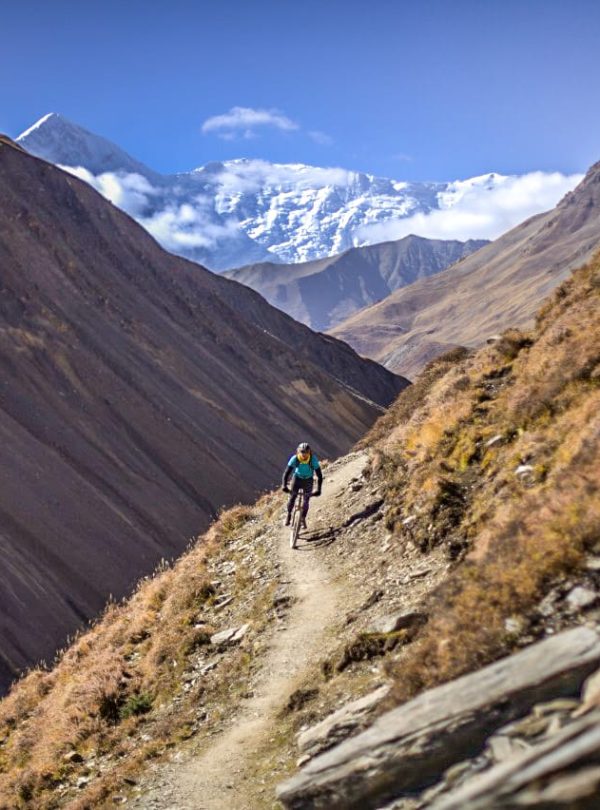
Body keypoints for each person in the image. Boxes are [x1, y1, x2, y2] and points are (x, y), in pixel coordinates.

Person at [282, 442, 323, 528]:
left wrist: (319, 489)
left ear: (309, 453)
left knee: (306, 500)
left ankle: (303, 518)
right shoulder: (295, 459)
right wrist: (284, 485)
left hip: (308, 480)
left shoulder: (313, 460)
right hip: (297, 479)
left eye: (306, 453)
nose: (304, 455)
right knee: (292, 497)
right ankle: (289, 515)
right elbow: (286, 473)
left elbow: (319, 475)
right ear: (298, 452)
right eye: (302, 453)